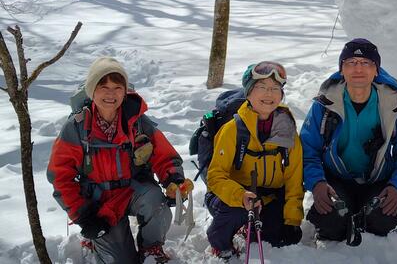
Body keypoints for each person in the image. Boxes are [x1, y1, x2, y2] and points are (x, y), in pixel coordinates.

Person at [47, 57, 191, 263]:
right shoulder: (77, 127)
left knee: (156, 204)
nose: (110, 93)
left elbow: (165, 156)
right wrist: (83, 215)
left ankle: (151, 249)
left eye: (117, 87)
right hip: (99, 203)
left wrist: (173, 181)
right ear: (92, 91)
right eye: (103, 86)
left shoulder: (137, 122)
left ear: (125, 92)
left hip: (133, 190)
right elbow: (60, 176)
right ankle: (95, 241)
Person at [300, 38, 397, 243]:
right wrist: (317, 183)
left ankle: (365, 215)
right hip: (335, 180)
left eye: (366, 63)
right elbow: (308, 150)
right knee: (331, 224)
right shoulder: (325, 104)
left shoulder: (392, 105)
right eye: (351, 63)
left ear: (376, 71)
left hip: (378, 181)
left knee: (381, 222)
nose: (358, 69)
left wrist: (396, 186)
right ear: (342, 70)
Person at [205, 61, 303, 260]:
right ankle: (219, 242)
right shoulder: (232, 129)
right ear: (248, 93)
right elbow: (215, 176)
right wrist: (240, 195)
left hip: (268, 197)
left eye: (275, 88)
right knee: (234, 212)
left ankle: (248, 228)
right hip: (232, 197)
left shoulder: (288, 130)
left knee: (278, 237)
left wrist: (293, 219)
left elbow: (294, 177)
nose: (269, 94)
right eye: (262, 87)